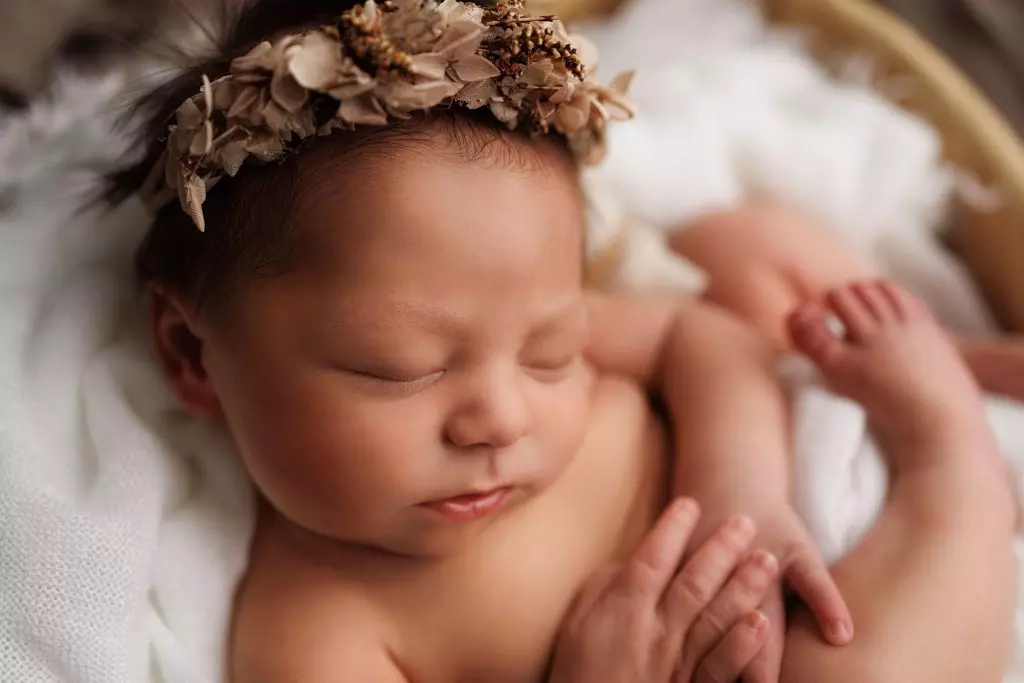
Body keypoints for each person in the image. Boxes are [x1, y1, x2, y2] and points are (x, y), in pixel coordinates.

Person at [104, 0, 1018, 681]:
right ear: (193, 355)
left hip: (782, 488)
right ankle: (952, 445)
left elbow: (704, 337)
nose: (501, 415)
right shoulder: (314, 629)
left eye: (551, 350)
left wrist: (740, 492)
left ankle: (943, 368)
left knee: (739, 245)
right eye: (401, 370)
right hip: (795, 644)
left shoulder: (518, 330)